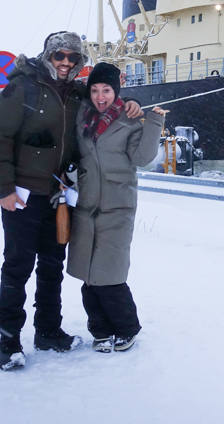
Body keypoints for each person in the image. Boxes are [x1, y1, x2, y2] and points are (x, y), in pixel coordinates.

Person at [0, 31, 141, 371]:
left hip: (59, 196)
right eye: (60, 56)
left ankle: (48, 330)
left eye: (73, 57)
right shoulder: (21, 88)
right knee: (18, 266)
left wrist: (130, 104)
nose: (66, 62)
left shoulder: (76, 94)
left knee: (52, 265)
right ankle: (9, 339)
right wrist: (5, 188)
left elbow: (106, 97)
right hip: (24, 195)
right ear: (48, 56)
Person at [67, 61, 166, 353]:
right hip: (85, 206)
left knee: (109, 275)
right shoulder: (81, 116)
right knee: (88, 274)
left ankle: (126, 328)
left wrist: (155, 123)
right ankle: (99, 330)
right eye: (95, 90)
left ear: (116, 91)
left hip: (118, 207)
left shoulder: (129, 121)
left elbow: (142, 159)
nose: (100, 96)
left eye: (107, 90)